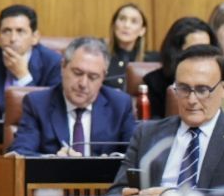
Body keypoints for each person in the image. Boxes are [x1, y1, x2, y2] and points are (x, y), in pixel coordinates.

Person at [108, 45, 224, 196]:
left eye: (202, 90)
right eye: (183, 88)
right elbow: (113, 195)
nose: (192, 100)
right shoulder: (147, 133)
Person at [7, 37, 135, 156]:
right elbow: (19, 153)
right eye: (77, 73)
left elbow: (134, 156)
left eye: (93, 77)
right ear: (63, 67)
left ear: (103, 76)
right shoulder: (38, 104)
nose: (83, 84)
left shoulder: (120, 105)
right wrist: (53, 160)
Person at [0, 4, 62, 120]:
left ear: (35, 37)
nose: (13, 38)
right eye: (6, 31)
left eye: (20, 31)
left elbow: (50, 117)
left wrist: (23, 77)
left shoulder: (53, 63)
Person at [140, 16, 216, 119]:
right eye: (195, 49)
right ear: (176, 52)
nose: (203, 55)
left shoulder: (218, 81)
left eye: (207, 49)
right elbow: (153, 125)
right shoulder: (154, 82)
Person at [106, 3, 150, 87]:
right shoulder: (100, 58)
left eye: (134, 21)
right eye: (122, 19)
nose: (126, 25)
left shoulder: (150, 62)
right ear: (114, 25)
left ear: (142, 30)